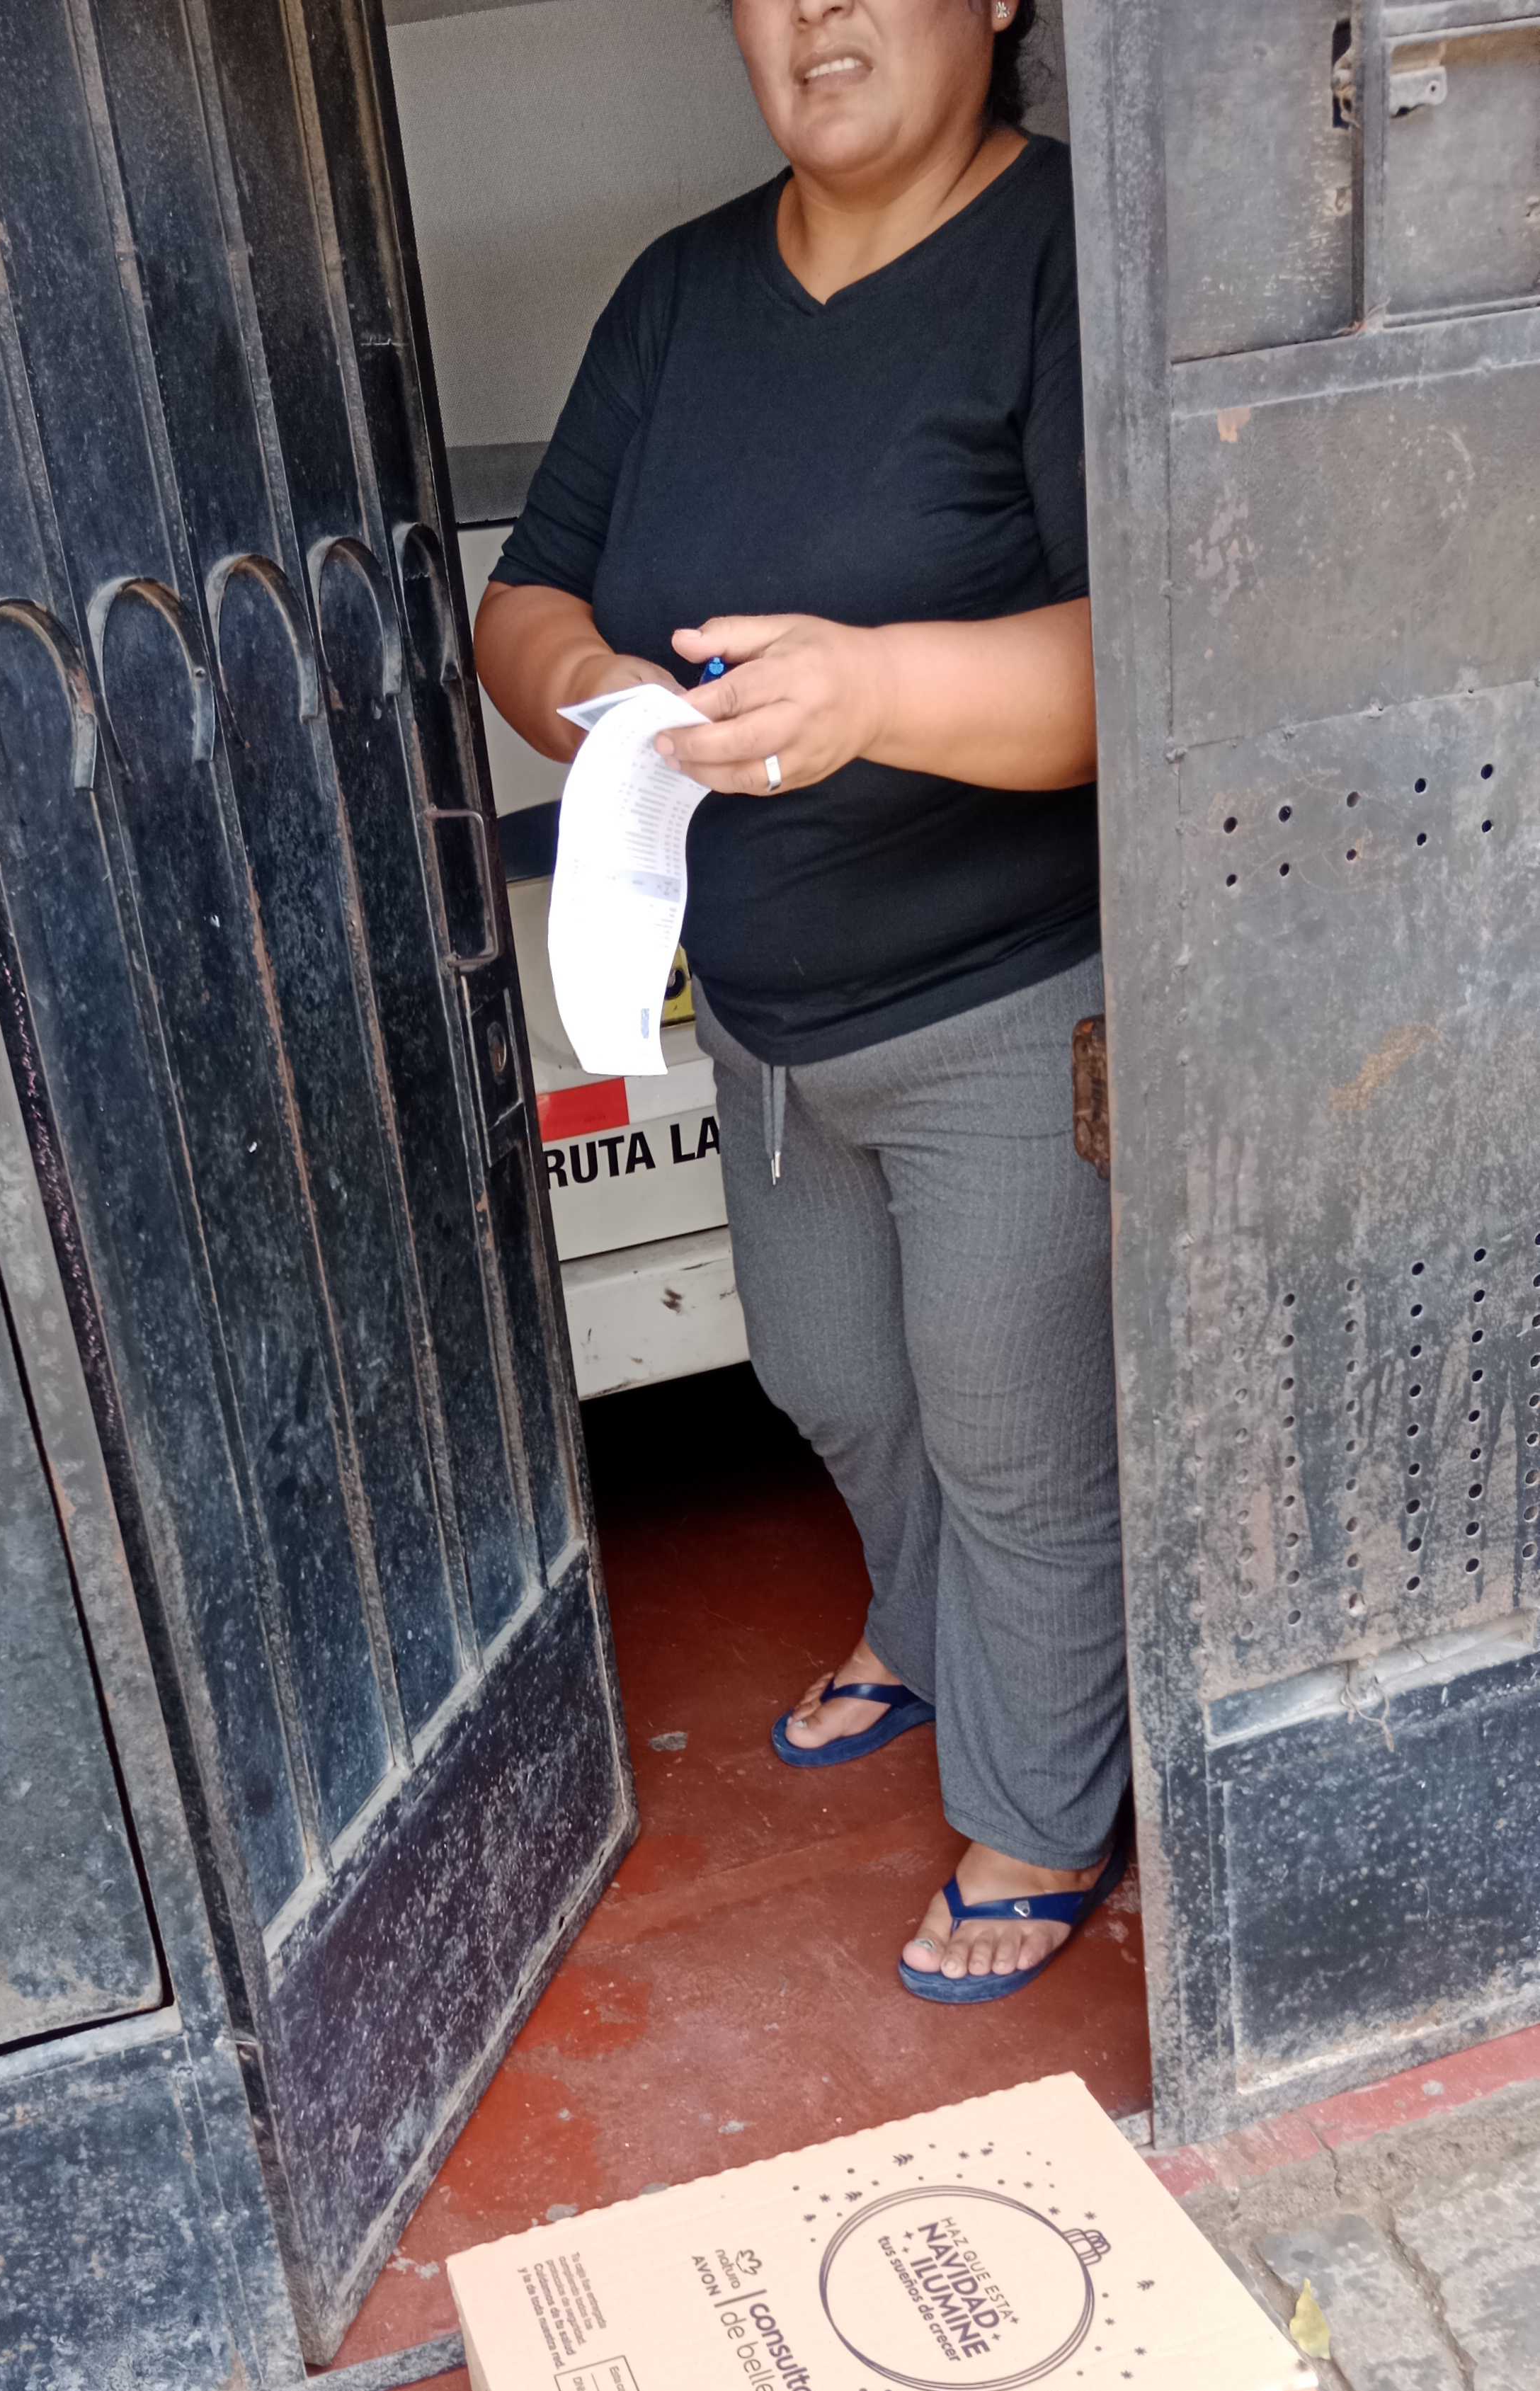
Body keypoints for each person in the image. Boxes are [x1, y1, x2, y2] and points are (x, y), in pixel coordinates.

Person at [475, 0, 1127, 2002]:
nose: (820, 8)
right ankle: (927, 1638)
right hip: (761, 1013)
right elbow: (527, 593)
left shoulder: (1069, 253)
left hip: (1011, 995)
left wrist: (878, 689)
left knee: (1015, 1437)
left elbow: (1167, 646)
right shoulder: (680, 292)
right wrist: (592, 701)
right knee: (836, 1379)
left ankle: (1041, 1809)